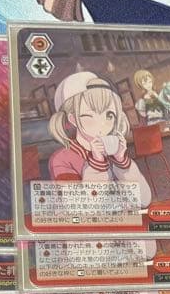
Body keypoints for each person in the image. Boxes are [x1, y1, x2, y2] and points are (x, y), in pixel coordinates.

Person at [48, 70, 152, 207]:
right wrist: (96, 164)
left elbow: (144, 200)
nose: (103, 124)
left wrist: (122, 162)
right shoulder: (62, 159)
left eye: (109, 115)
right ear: (73, 119)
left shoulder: (112, 152)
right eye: (91, 115)